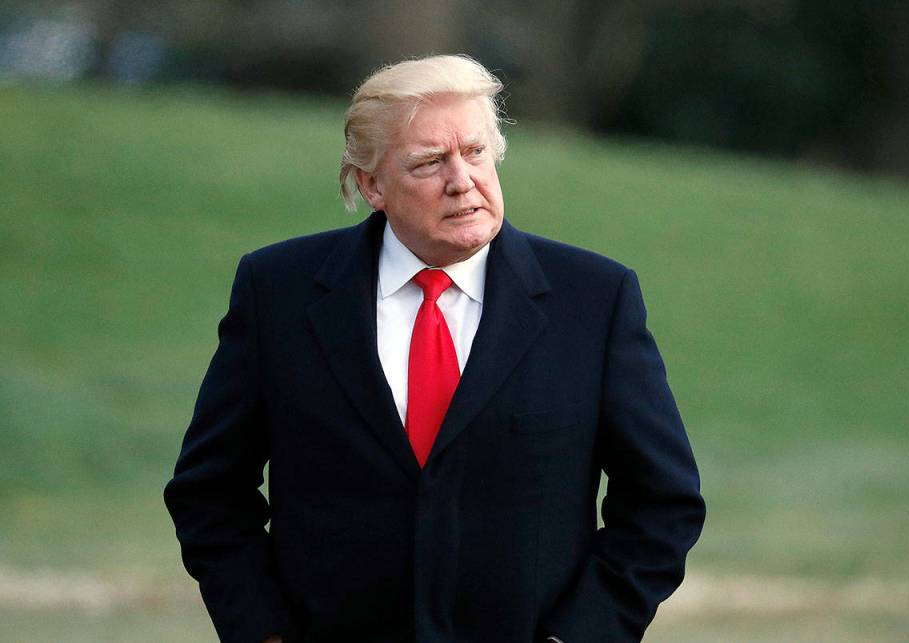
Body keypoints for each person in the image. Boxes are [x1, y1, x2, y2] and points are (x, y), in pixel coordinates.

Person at [165, 54, 705, 643]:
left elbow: (662, 502)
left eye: (475, 152)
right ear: (371, 184)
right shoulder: (278, 291)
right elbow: (210, 493)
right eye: (429, 162)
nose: (461, 180)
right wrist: (263, 633)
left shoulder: (595, 299)